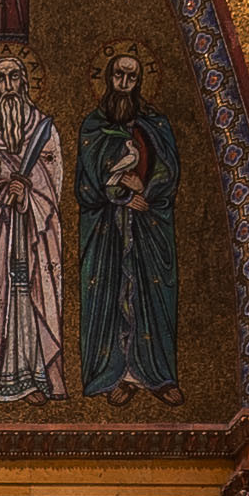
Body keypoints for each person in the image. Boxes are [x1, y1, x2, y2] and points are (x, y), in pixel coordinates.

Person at [77, 43, 179, 400]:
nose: (123, 82)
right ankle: (114, 376)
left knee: (151, 294)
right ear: (108, 78)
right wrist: (121, 193)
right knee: (111, 293)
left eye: (131, 77)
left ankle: (156, 376)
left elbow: (170, 171)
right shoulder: (94, 126)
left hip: (148, 225)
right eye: (118, 75)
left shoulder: (156, 124)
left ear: (139, 81)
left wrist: (147, 191)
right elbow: (86, 184)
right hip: (107, 230)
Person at [0, 69, 67, 402]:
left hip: (32, 232)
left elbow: (53, 182)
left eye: (14, 78)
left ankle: (35, 379)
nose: (8, 86)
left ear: (24, 82)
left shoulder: (44, 130)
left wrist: (27, 193)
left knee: (30, 294)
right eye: (1, 79)